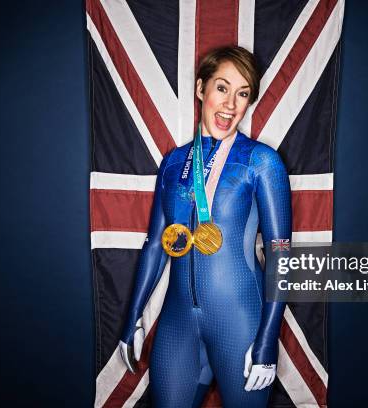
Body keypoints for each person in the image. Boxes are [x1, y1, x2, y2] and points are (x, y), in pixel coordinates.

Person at [119, 46, 292, 407]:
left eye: (243, 93)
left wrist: (267, 338)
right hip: (178, 321)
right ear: (201, 89)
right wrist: (132, 317)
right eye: (222, 88)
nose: (231, 104)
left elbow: (281, 255)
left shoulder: (261, 162)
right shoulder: (173, 163)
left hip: (240, 323)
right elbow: (155, 245)